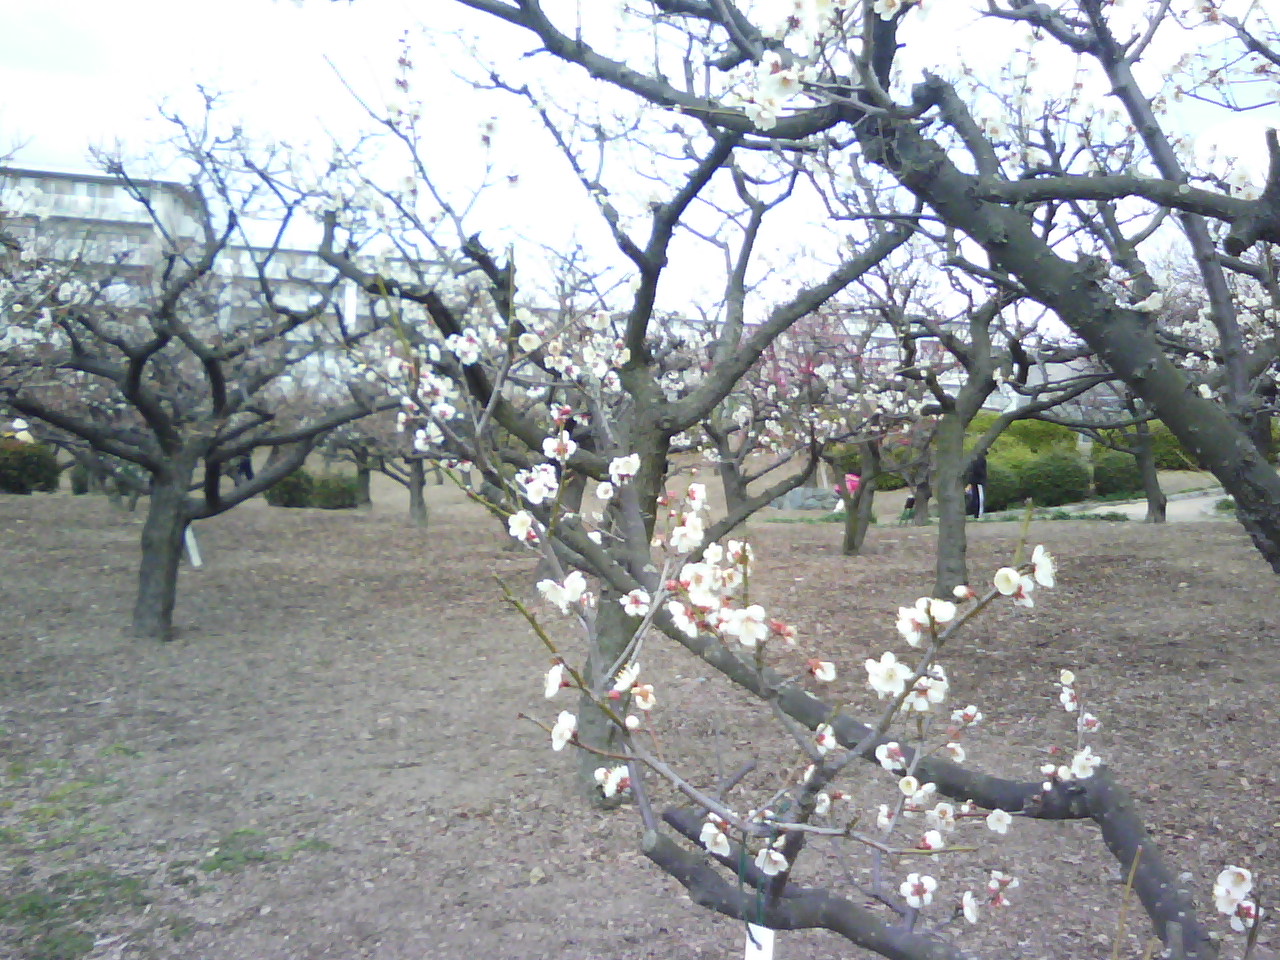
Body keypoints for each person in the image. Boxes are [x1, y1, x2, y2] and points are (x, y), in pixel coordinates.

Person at [965, 453, 987, 519]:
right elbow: (980, 471)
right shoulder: (980, 460)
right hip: (978, 481)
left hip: (975, 481)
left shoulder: (974, 460)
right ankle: (979, 515)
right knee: (980, 499)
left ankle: (976, 514)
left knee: (975, 498)